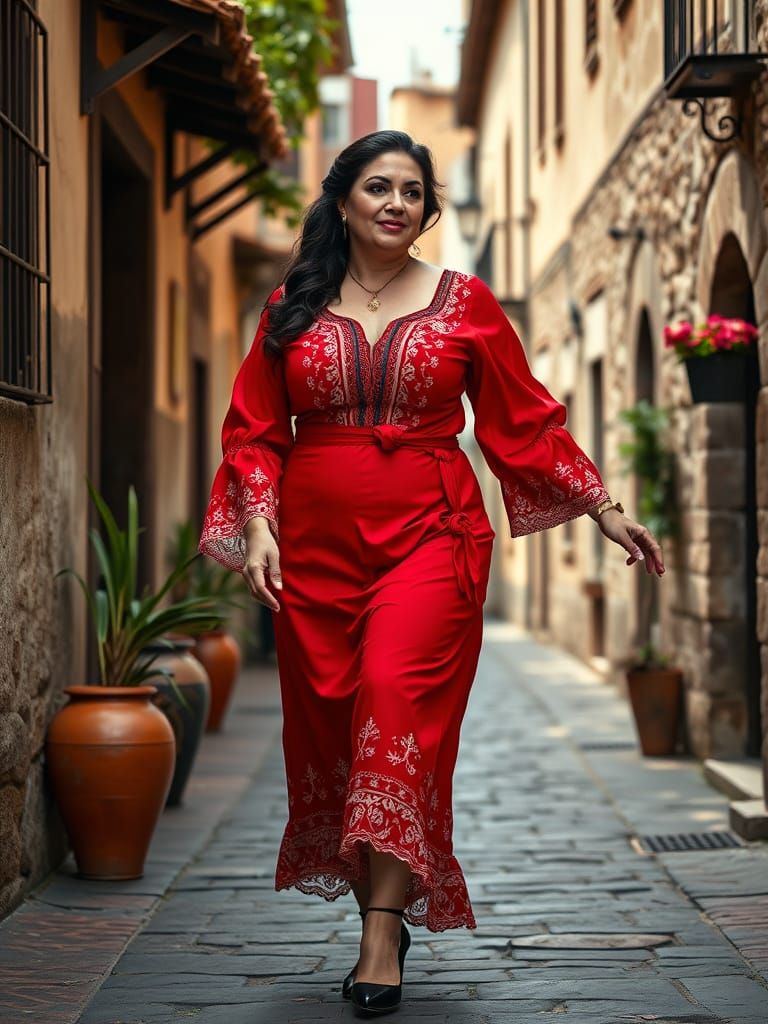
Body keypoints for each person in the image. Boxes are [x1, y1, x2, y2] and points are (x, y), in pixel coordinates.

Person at [199, 130, 665, 1017]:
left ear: (427, 210)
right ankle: (383, 907)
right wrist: (259, 524)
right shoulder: (291, 305)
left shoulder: (466, 303)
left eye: (412, 192)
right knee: (342, 726)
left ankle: (381, 935)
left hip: (433, 537)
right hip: (319, 552)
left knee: (392, 700)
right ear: (342, 201)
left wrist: (602, 508)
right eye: (377, 187)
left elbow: (522, 423)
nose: (394, 203)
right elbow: (254, 429)